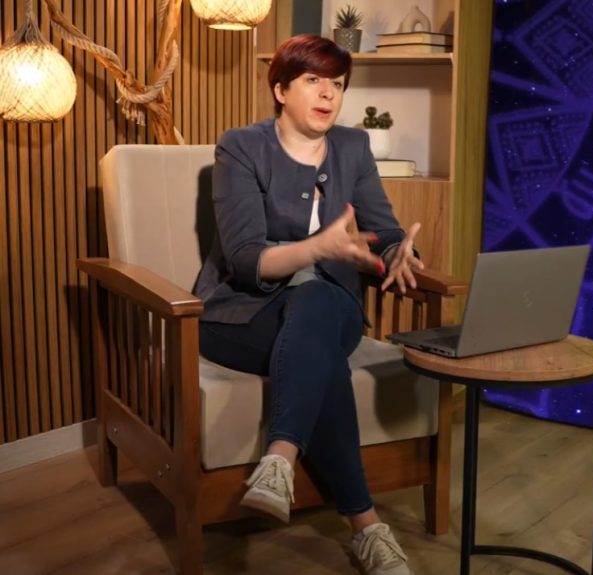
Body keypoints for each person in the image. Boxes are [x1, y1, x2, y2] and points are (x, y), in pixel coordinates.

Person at [193, 34, 424, 575]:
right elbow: (245, 260)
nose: (328, 94)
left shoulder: (353, 147)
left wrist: (399, 253)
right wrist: (318, 248)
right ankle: (367, 527)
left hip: (331, 306)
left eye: (337, 84)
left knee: (317, 299)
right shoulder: (240, 147)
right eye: (313, 80)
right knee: (321, 361)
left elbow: (385, 230)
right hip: (242, 313)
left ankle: (280, 458)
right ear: (281, 89)